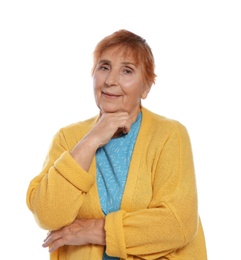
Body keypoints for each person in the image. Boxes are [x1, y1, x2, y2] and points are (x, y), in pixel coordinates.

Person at [26, 29, 207, 260]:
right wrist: (91, 140)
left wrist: (96, 231)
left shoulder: (170, 134)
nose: (111, 80)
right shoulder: (68, 138)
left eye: (127, 71)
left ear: (146, 87)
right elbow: (48, 215)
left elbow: (177, 223)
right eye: (103, 67)